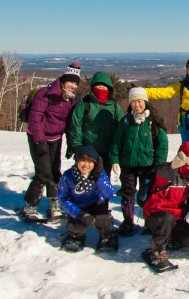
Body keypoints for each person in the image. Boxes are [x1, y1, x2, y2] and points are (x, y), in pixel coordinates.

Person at [21, 61, 81, 221]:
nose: (73, 86)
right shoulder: (45, 94)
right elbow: (35, 119)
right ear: (62, 81)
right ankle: (30, 205)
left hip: (55, 138)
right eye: (71, 82)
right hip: (37, 138)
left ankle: (54, 203)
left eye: (76, 83)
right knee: (43, 173)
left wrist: (70, 143)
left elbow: (68, 123)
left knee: (55, 172)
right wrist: (39, 142)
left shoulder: (70, 100)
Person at [109, 87, 168, 236]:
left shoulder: (153, 121)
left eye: (139, 101)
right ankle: (128, 222)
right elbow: (117, 141)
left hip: (147, 165)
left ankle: (150, 221)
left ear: (145, 102)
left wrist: (158, 165)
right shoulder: (126, 121)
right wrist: (115, 159)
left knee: (145, 197)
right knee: (128, 194)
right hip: (128, 164)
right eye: (134, 102)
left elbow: (162, 144)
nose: (137, 104)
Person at [142, 142, 189, 271]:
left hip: (174, 218)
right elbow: (162, 174)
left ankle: (168, 239)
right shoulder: (167, 170)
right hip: (155, 215)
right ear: (182, 155)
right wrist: (173, 167)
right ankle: (157, 253)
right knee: (166, 217)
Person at [57, 145, 117, 251]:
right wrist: (80, 214)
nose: (86, 165)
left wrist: (98, 178)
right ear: (77, 161)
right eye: (82, 161)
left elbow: (108, 193)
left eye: (90, 161)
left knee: (102, 219)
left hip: (96, 203)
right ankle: (75, 236)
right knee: (76, 227)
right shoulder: (68, 176)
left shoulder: (100, 173)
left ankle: (106, 236)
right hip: (77, 206)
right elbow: (62, 199)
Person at [67, 71, 124, 175]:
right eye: (99, 86)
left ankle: (103, 192)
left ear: (109, 89)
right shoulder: (85, 103)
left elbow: (122, 125)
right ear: (93, 87)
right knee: (87, 176)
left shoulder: (114, 105)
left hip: (108, 149)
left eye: (104, 86)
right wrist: (76, 145)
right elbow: (76, 124)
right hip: (89, 148)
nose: (101, 88)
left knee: (104, 176)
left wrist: (120, 145)